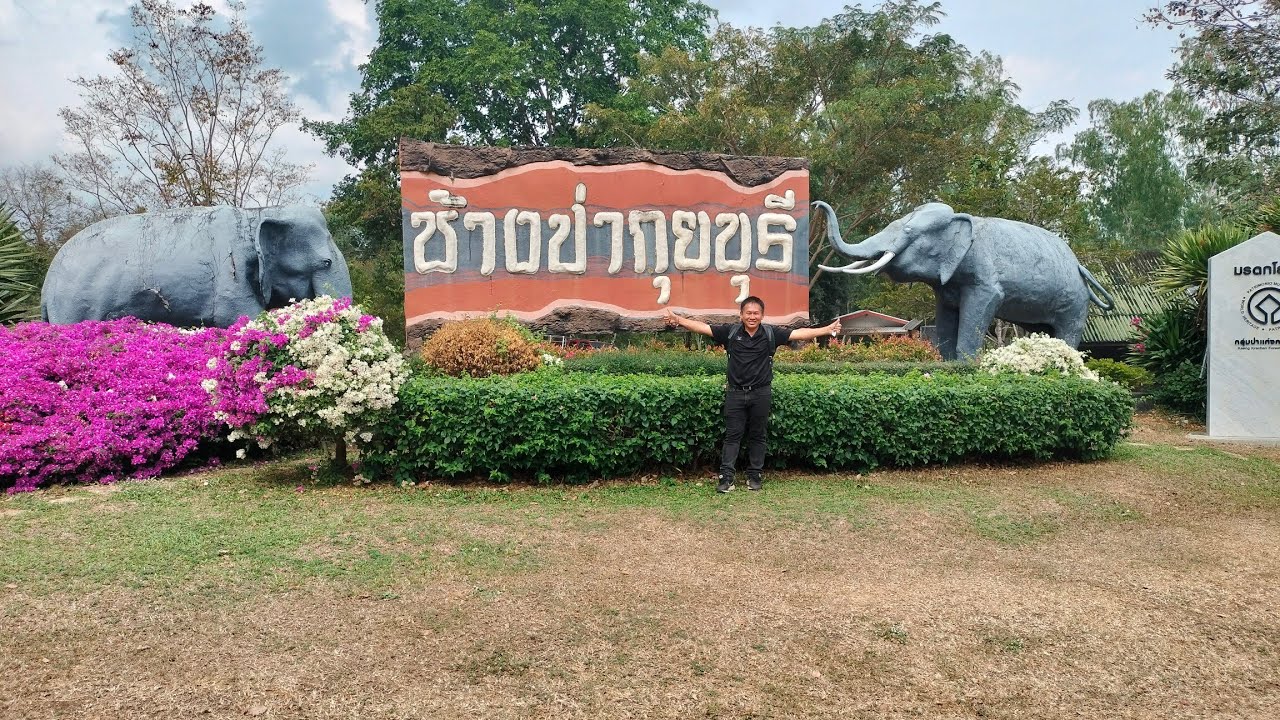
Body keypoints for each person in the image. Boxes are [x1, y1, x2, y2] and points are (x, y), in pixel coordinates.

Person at [665, 297, 841, 492]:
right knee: (732, 437)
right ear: (741, 315)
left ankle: (755, 475)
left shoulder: (770, 333)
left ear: (762, 315)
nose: (752, 316)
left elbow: (798, 333)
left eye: (756, 313)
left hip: (761, 393)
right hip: (735, 393)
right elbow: (703, 328)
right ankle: (726, 478)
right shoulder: (730, 332)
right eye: (748, 313)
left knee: (758, 436)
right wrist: (679, 320)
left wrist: (826, 330)